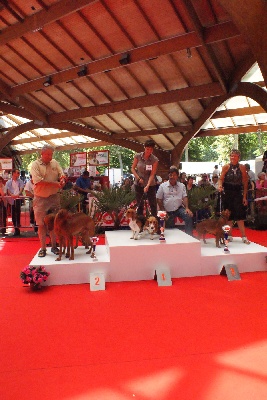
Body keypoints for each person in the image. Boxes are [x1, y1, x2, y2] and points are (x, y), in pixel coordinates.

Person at [30, 145, 65, 257]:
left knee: (55, 223)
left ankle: (54, 246)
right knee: (41, 225)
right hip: (40, 199)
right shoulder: (35, 165)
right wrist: (55, 184)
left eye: (51, 154)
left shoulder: (55, 162)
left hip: (54, 197)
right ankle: (43, 248)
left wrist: (63, 179)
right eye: (48, 154)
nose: (50, 156)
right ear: (42, 153)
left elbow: (61, 173)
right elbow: (38, 181)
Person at [218, 149, 250, 244]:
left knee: (240, 215)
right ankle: (229, 235)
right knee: (229, 215)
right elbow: (221, 179)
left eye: (235, 156)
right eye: (231, 156)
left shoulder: (242, 167)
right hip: (227, 192)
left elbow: (245, 182)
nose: (233, 157)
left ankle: (244, 236)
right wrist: (220, 185)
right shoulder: (226, 167)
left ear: (238, 157)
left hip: (237, 192)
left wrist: (244, 196)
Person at [156, 167, 193, 236]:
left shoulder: (182, 186)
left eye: (174, 175)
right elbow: (159, 199)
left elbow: (185, 197)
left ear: (177, 176)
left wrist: (187, 208)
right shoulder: (162, 186)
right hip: (166, 210)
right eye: (170, 175)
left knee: (188, 216)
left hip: (178, 208)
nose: (172, 177)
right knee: (169, 228)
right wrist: (163, 210)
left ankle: (189, 236)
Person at [131, 139, 158, 217]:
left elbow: (152, 174)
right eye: (147, 149)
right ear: (144, 148)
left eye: (151, 149)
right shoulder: (137, 156)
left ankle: (154, 222)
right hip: (138, 183)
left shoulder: (154, 159)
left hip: (150, 184)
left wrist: (148, 185)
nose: (149, 151)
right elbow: (132, 168)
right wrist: (138, 178)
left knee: (152, 204)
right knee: (140, 204)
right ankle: (140, 223)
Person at [5, 169, 25, 236]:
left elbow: (21, 188)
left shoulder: (20, 181)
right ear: (13, 173)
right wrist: (12, 195)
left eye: (19, 173)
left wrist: (18, 194)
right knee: (13, 213)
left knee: (18, 212)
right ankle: (15, 227)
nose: (18, 174)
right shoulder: (8, 182)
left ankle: (17, 226)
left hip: (18, 198)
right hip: (12, 199)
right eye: (17, 173)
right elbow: (7, 190)